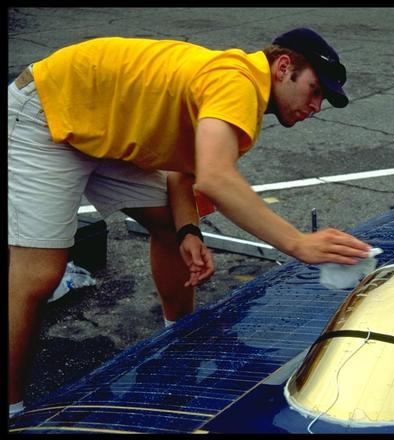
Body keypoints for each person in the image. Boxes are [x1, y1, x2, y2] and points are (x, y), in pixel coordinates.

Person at [7, 28, 372, 418]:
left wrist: (189, 230)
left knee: (170, 225)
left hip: (94, 122)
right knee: (40, 273)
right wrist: (298, 243)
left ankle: (178, 341)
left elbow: (185, 170)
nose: (316, 106)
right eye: (314, 90)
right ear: (284, 67)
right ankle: (12, 409)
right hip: (47, 111)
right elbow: (216, 177)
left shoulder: (235, 85)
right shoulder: (238, 83)